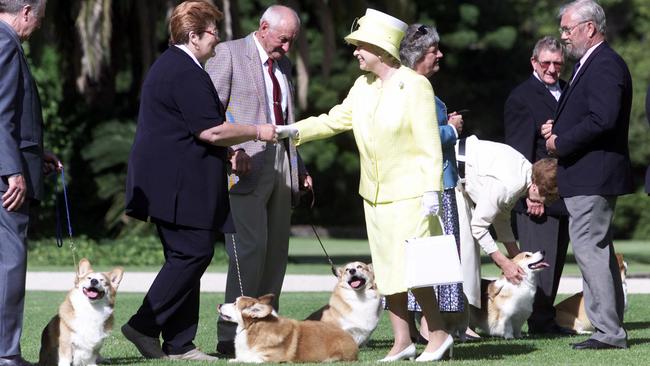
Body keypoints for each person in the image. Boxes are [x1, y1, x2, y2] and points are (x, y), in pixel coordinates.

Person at [281, 8, 454, 362]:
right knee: (387, 274)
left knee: (414, 271)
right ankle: (402, 342)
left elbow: (428, 143)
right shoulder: (363, 86)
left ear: (381, 48)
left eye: (360, 45)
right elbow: (334, 120)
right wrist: (293, 131)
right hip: (374, 196)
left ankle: (438, 337)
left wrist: (432, 191)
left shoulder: (415, 85)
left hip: (412, 195)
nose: (356, 52)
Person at [121, 1, 277, 361]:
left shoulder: (182, 67)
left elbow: (192, 127)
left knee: (186, 255)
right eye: (212, 34)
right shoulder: (182, 71)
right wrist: (257, 131)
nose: (217, 41)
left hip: (179, 184)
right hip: (176, 186)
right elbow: (209, 130)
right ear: (193, 36)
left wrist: (229, 154)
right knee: (193, 253)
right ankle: (143, 326)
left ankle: (179, 344)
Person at [205, 5, 311, 356]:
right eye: (283, 39)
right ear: (264, 27)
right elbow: (209, 113)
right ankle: (228, 334)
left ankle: (265, 330)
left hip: (282, 163)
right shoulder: (227, 53)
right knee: (248, 253)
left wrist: (300, 166)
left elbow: (286, 120)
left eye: (292, 41)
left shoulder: (281, 65)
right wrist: (229, 153)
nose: (287, 48)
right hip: (244, 165)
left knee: (276, 252)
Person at [542, 0, 633, 350]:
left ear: (590, 28)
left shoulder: (605, 64)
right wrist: (559, 127)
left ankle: (608, 332)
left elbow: (603, 118)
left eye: (568, 29)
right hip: (588, 173)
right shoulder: (591, 64)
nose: (564, 36)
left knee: (590, 252)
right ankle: (610, 327)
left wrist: (560, 141)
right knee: (599, 252)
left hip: (593, 174)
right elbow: (592, 115)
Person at [0, 1, 63, 365]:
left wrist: (38, 155)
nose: (38, 26)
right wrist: (13, 170)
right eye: (39, 18)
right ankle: (6, 352)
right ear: (26, 11)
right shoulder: (6, 43)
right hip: (5, 180)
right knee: (10, 262)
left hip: (13, 162)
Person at [398, 23, 465, 343]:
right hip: (432, 185)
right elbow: (414, 135)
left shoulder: (404, 86)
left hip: (418, 183)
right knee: (434, 255)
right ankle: (429, 329)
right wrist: (451, 130)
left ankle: (416, 331)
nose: (440, 54)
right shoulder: (414, 88)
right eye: (433, 50)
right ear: (416, 55)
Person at [504, 36, 573, 335]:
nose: (552, 69)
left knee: (554, 260)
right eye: (546, 63)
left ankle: (545, 320)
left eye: (557, 63)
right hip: (536, 196)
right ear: (534, 62)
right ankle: (539, 322)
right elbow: (519, 153)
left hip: (565, 192)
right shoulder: (521, 97)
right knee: (537, 262)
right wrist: (532, 194)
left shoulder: (569, 90)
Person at [456, 135, 558, 284]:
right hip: (449, 173)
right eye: (546, 198)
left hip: (460, 171)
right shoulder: (510, 185)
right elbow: (478, 227)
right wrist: (504, 263)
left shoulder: (526, 173)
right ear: (535, 187)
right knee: (464, 258)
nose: (544, 204)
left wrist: (516, 258)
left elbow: (501, 217)